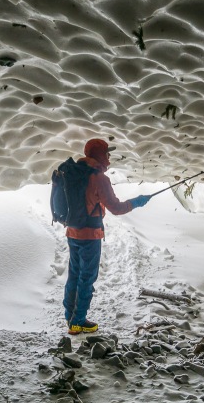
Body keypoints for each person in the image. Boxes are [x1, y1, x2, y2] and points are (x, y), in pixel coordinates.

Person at [63, 138, 150, 335]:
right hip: (90, 235)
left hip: (72, 232)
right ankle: (78, 322)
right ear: (100, 155)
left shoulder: (73, 172)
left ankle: (70, 316)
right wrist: (137, 202)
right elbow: (116, 208)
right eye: (107, 153)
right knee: (87, 278)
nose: (109, 157)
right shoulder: (99, 178)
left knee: (74, 275)